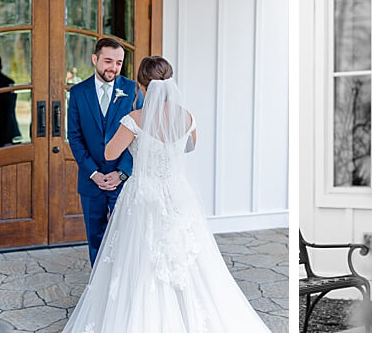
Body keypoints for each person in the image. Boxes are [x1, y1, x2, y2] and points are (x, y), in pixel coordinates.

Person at [63, 56, 270, 333]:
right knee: (184, 254)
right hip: (176, 193)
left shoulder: (135, 119)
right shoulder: (186, 116)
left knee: (141, 256)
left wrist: (134, 140)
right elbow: (190, 147)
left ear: (141, 85)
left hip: (143, 195)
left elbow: (109, 153)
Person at [66, 38, 143, 265]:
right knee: (96, 237)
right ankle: (97, 291)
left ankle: (121, 286)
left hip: (124, 180)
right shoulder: (79, 92)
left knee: (125, 237)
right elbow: (75, 137)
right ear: (95, 59)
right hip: (91, 181)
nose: (114, 67)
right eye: (108, 61)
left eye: (119, 63)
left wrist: (121, 173)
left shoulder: (132, 89)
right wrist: (93, 173)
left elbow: (140, 135)